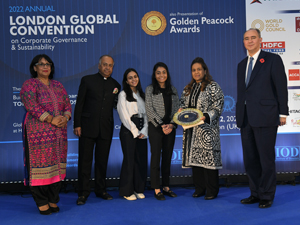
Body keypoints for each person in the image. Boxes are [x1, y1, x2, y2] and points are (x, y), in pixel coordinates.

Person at [236, 28, 288, 208]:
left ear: (260, 40)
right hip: (246, 118)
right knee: (250, 159)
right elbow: (242, 92)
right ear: (243, 42)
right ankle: (255, 193)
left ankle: (266, 195)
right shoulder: (242, 64)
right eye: (246, 39)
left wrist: (283, 112)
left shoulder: (272, 59)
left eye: (253, 38)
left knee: (266, 159)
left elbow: (281, 87)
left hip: (266, 116)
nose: (249, 41)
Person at [20, 54, 72, 215]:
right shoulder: (29, 84)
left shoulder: (58, 85)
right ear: (34, 68)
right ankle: (41, 201)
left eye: (48, 64)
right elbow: (30, 104)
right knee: (39, 168)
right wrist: (50, 119)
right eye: (41, 64)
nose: (45, 66)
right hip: (37, 135)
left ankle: (52, 199)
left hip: (58, 135)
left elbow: (67, 104)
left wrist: (66, 117)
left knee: (56, 168)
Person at [74, 55, 121, 205]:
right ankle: (83, 192)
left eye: (110, 65)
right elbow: (79, 104)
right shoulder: (87, 80)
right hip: (87, 128)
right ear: (99, 65)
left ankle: (101, 190)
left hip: (106, 129)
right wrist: (77, 124)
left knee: (102, 162)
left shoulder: (116, 85)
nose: (107, 68)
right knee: (84, 162)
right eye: (105, 65)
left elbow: (117, 106)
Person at [179, 57, 224, 200]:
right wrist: (181, 111)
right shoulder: (188, 89)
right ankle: (199, 188)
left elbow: (218, 105)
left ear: (205, 70)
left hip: (207, 130)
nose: (196, 72)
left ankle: (212, 190)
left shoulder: (213, 86)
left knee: (208, 161)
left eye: (199, 69)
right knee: (196, 161)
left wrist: (206, 116)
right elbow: (182, 104)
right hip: (192, 131)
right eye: (194, 70)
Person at [145, 62, 180, 201]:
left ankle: (166, 186)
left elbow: (177, 108)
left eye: (164, 72)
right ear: (155, 74)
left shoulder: (172, 89)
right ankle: (157, 188)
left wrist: (171, 124)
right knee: (155, 158)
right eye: (158, 72)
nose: (161, 75)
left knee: (167, 157)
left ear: (167, 74)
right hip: (155, 128)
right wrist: (161, 125)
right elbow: (149, 109)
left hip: (170, 128)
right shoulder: (149, 89)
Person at [117, 68, 148, 201]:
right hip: (128, 130)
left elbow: (147, 115)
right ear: (126, 80)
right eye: (130, 77)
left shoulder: (142, 95)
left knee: (140, 160)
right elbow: (124, 115)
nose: (133, 79)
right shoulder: (123, 94)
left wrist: (144, 131)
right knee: (129, 161)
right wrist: (135, 131)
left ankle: (138, 189)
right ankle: (126, 190)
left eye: (135, 76)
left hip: (142, 130)